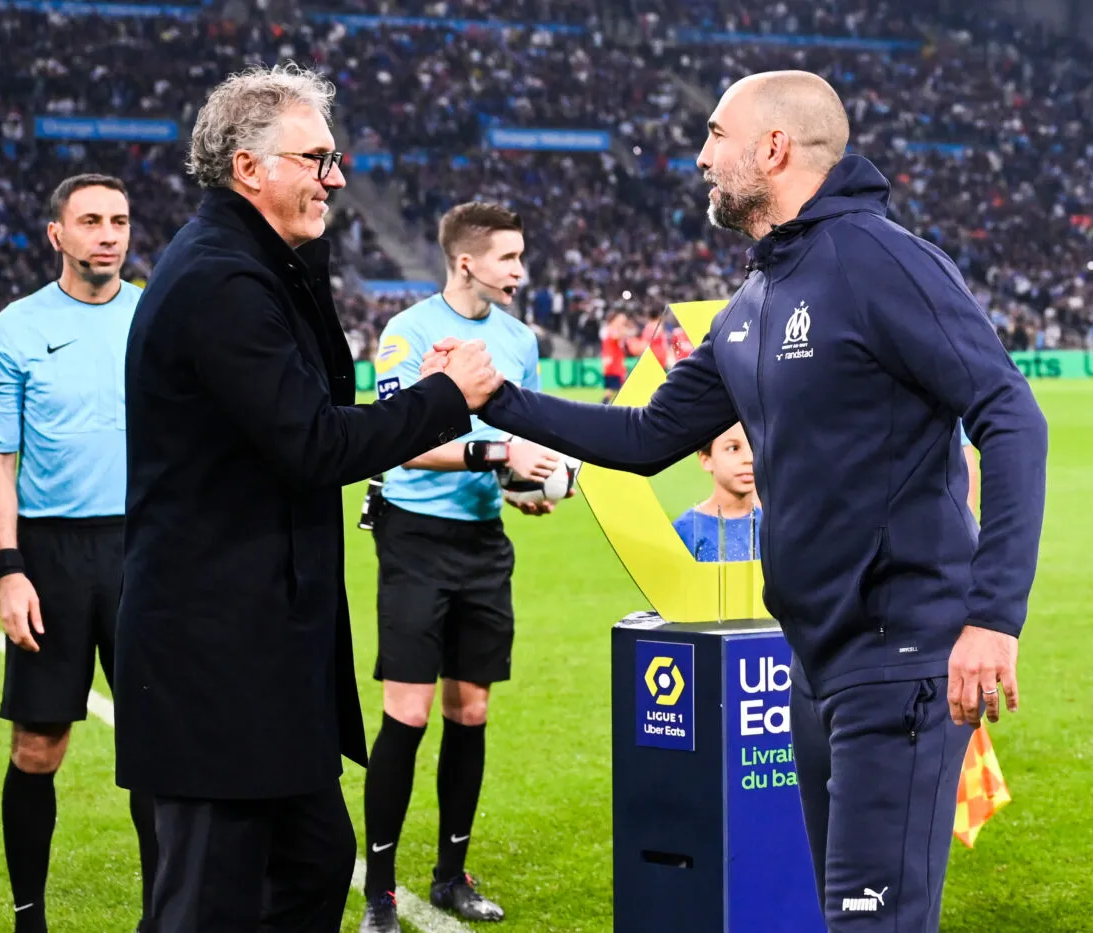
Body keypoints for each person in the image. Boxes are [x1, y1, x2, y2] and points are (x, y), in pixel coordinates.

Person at [424, 70, 1047, 932]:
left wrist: (993, 615)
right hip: (815, 663)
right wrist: (498, 400)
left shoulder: (880, 260)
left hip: (902, 655)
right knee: (850, 919)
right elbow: (644, 438)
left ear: (775, 148)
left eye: (716, 135)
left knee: (874, 922)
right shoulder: (753, 299)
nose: (700, 155)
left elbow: (1012, 415)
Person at [115, 63, 503, 933]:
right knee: (208, 899)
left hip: (260, 649)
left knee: (314, 859)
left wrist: (311, 244)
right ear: (250, 167)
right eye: (317, 158)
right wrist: (445, 398)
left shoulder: (253, 262)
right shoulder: (220, 279)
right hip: (215, 655)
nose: (336, 176)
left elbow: (322, 393)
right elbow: (314, 443)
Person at [359, 202, 561, 932]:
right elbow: (397, 441)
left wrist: (523, 491)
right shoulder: (406, 333)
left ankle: (449, 876)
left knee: (469, 711)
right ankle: (379, 891)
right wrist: (495, 455)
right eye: (509, 257)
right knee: (406, 715)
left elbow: (520, 435)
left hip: (482, 541)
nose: (519, 270)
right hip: (414, 539)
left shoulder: (519, 340)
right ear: (467, 260)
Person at [0, 174, 156, 933]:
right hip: (52, 554)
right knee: (38, 746)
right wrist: (9, 568)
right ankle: (29, 919)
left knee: (159, 747)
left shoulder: (159, 312)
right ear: (58, 234)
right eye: (90, 221)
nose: (107, 234)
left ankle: (166, 914)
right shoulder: (13, 329)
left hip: (148, 549)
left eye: (117, 220)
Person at [672, 422, 762, 563]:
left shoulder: (774, 525)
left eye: (754, 445)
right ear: (706, 460)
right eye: (734, 448)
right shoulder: (688, 530)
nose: (749, 458)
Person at [601, 311, 628, 403]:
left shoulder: (611, 329)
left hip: (615, 361)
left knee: (613, 387)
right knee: (615, 386)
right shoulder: (610, 329)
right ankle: (605, 404)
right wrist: (623, 330)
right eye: (619, 320)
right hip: (612, 362)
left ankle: (605, 404)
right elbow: (615, 337)